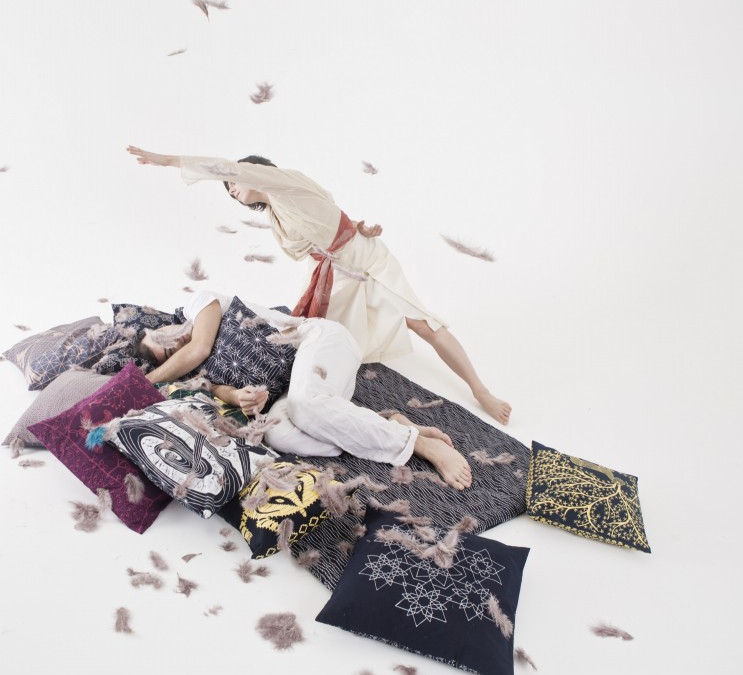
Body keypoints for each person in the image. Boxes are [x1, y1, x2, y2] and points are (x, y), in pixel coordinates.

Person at [125, 146, 512, 425]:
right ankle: (313, 405)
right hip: (334, 273)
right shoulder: (275, 212)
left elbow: (317, 213)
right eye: (228, 189)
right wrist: (356, 224)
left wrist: (167, 160)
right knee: (316, 340)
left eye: (234, 181)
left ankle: (480, 389)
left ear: (256, 172)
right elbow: (326, 219)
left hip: (367, 261)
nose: (232, 189)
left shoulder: (286, 184)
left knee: (420, 323)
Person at [134, 290, 473, 490]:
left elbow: (198, 348)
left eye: (164, 335)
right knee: (278, 435)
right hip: (303, 387)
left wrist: (142, 384)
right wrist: (243, 397)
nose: (175, 340)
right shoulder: (195, 374)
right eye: (168, 349)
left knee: (304, 403)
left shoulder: (198, 304)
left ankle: (419, 445)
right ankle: (390, 425)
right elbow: (224, 393)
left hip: (320, 343)